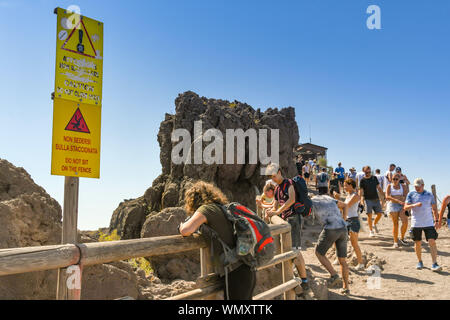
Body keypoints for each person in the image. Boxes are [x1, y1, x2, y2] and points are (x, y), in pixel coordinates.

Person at [179, 181, 256, 299]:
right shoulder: (222, 208)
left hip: (235, 273)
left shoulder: (206, 209)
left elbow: (186, 230)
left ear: (193, 200)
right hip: (247, 268)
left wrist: (181, 226)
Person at [265, 163, 310, 291]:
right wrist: (270, 211)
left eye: (274, 176)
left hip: (293, 219)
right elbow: (274, 205)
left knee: (295, 249)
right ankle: (293, 275)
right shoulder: (277, 188)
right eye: (271, 177)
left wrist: (277, 212)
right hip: (285, 221)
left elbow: (291, 200)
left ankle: (304, 280)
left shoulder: (288, 183)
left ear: (279, 172)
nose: (273, 179)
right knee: (289, 249)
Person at [312, 195, 350, 295]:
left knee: (319, 253)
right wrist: (344, 220)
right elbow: (345, 205)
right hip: (343, 228)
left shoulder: (312, 201)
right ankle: (346, 287)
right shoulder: (329, 198)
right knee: (342, 260)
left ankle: (334, 275)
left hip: (330, 228)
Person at [404, 178, 442, 271]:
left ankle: (434, 263)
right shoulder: (411, 194)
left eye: (418, 186)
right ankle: (420, 261)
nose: (417, 188)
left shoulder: (429, 195)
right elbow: (405, 207)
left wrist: (436, 221)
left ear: (423, 185)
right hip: (416, 223)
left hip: (428, 222)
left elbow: (434, 209)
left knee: (432, 241)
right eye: (415, 186)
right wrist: (414, 205)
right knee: (417, 243)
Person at [334, 179, 365, 271]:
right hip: (346, 220)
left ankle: (361, 263)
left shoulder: (355, 196)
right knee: (338, 240)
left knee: (354, 243)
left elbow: (346, 206)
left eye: (346, 185)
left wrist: (337, 199)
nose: (344, 187)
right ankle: (338, 258)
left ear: (351, 185)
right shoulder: (348, 195)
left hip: (353, 221)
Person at [359, 166, 384, 237]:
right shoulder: (362, 180)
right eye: (367, 172)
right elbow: (361, 191)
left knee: (379, 214)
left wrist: (384, 195)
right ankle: (371, 231)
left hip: (376, 199)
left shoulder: (374, 178)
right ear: (364, 172)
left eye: (369, 172)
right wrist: (361, 200)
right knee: (369, 215)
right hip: (367, 200)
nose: (368, 173)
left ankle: (374, 224)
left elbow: (379, 187)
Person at [385, 173, 409, 247]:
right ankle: (395, 242)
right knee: (395, 224)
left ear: (399, 179)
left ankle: (402, 238)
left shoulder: (403, 186)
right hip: (393, 205)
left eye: (396, 179)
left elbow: (405, 195)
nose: (395, 180)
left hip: (402, 205)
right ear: (391, 179)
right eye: (393, 179)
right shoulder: (389, 186)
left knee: (405, 222)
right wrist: (397, 199)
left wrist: (400, 198)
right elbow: (387, 196)